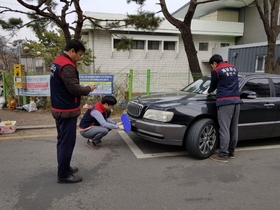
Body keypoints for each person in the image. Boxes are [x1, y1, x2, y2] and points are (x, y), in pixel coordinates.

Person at [50, 39, 96, 183]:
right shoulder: (67, 66)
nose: (79, 57)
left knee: (62, 141)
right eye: (79, 54)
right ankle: (63, 174)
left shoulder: (57, 61)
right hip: (66, 110)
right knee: (67, 143)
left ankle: (65, 167)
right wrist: (89, 88)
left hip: (59, 107)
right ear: (72, 51)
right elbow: (74, 89)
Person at [207, 54, 242, 163]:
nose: (212, 67)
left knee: (224, 128)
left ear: (214, 63)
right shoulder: (234, 68)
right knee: (233, 128)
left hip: (225, 102)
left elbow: (213, 86)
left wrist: (208, 92)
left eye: (211, 65)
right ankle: (231, 152)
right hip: (236, 101)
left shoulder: (217, 71)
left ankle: (223, 155)